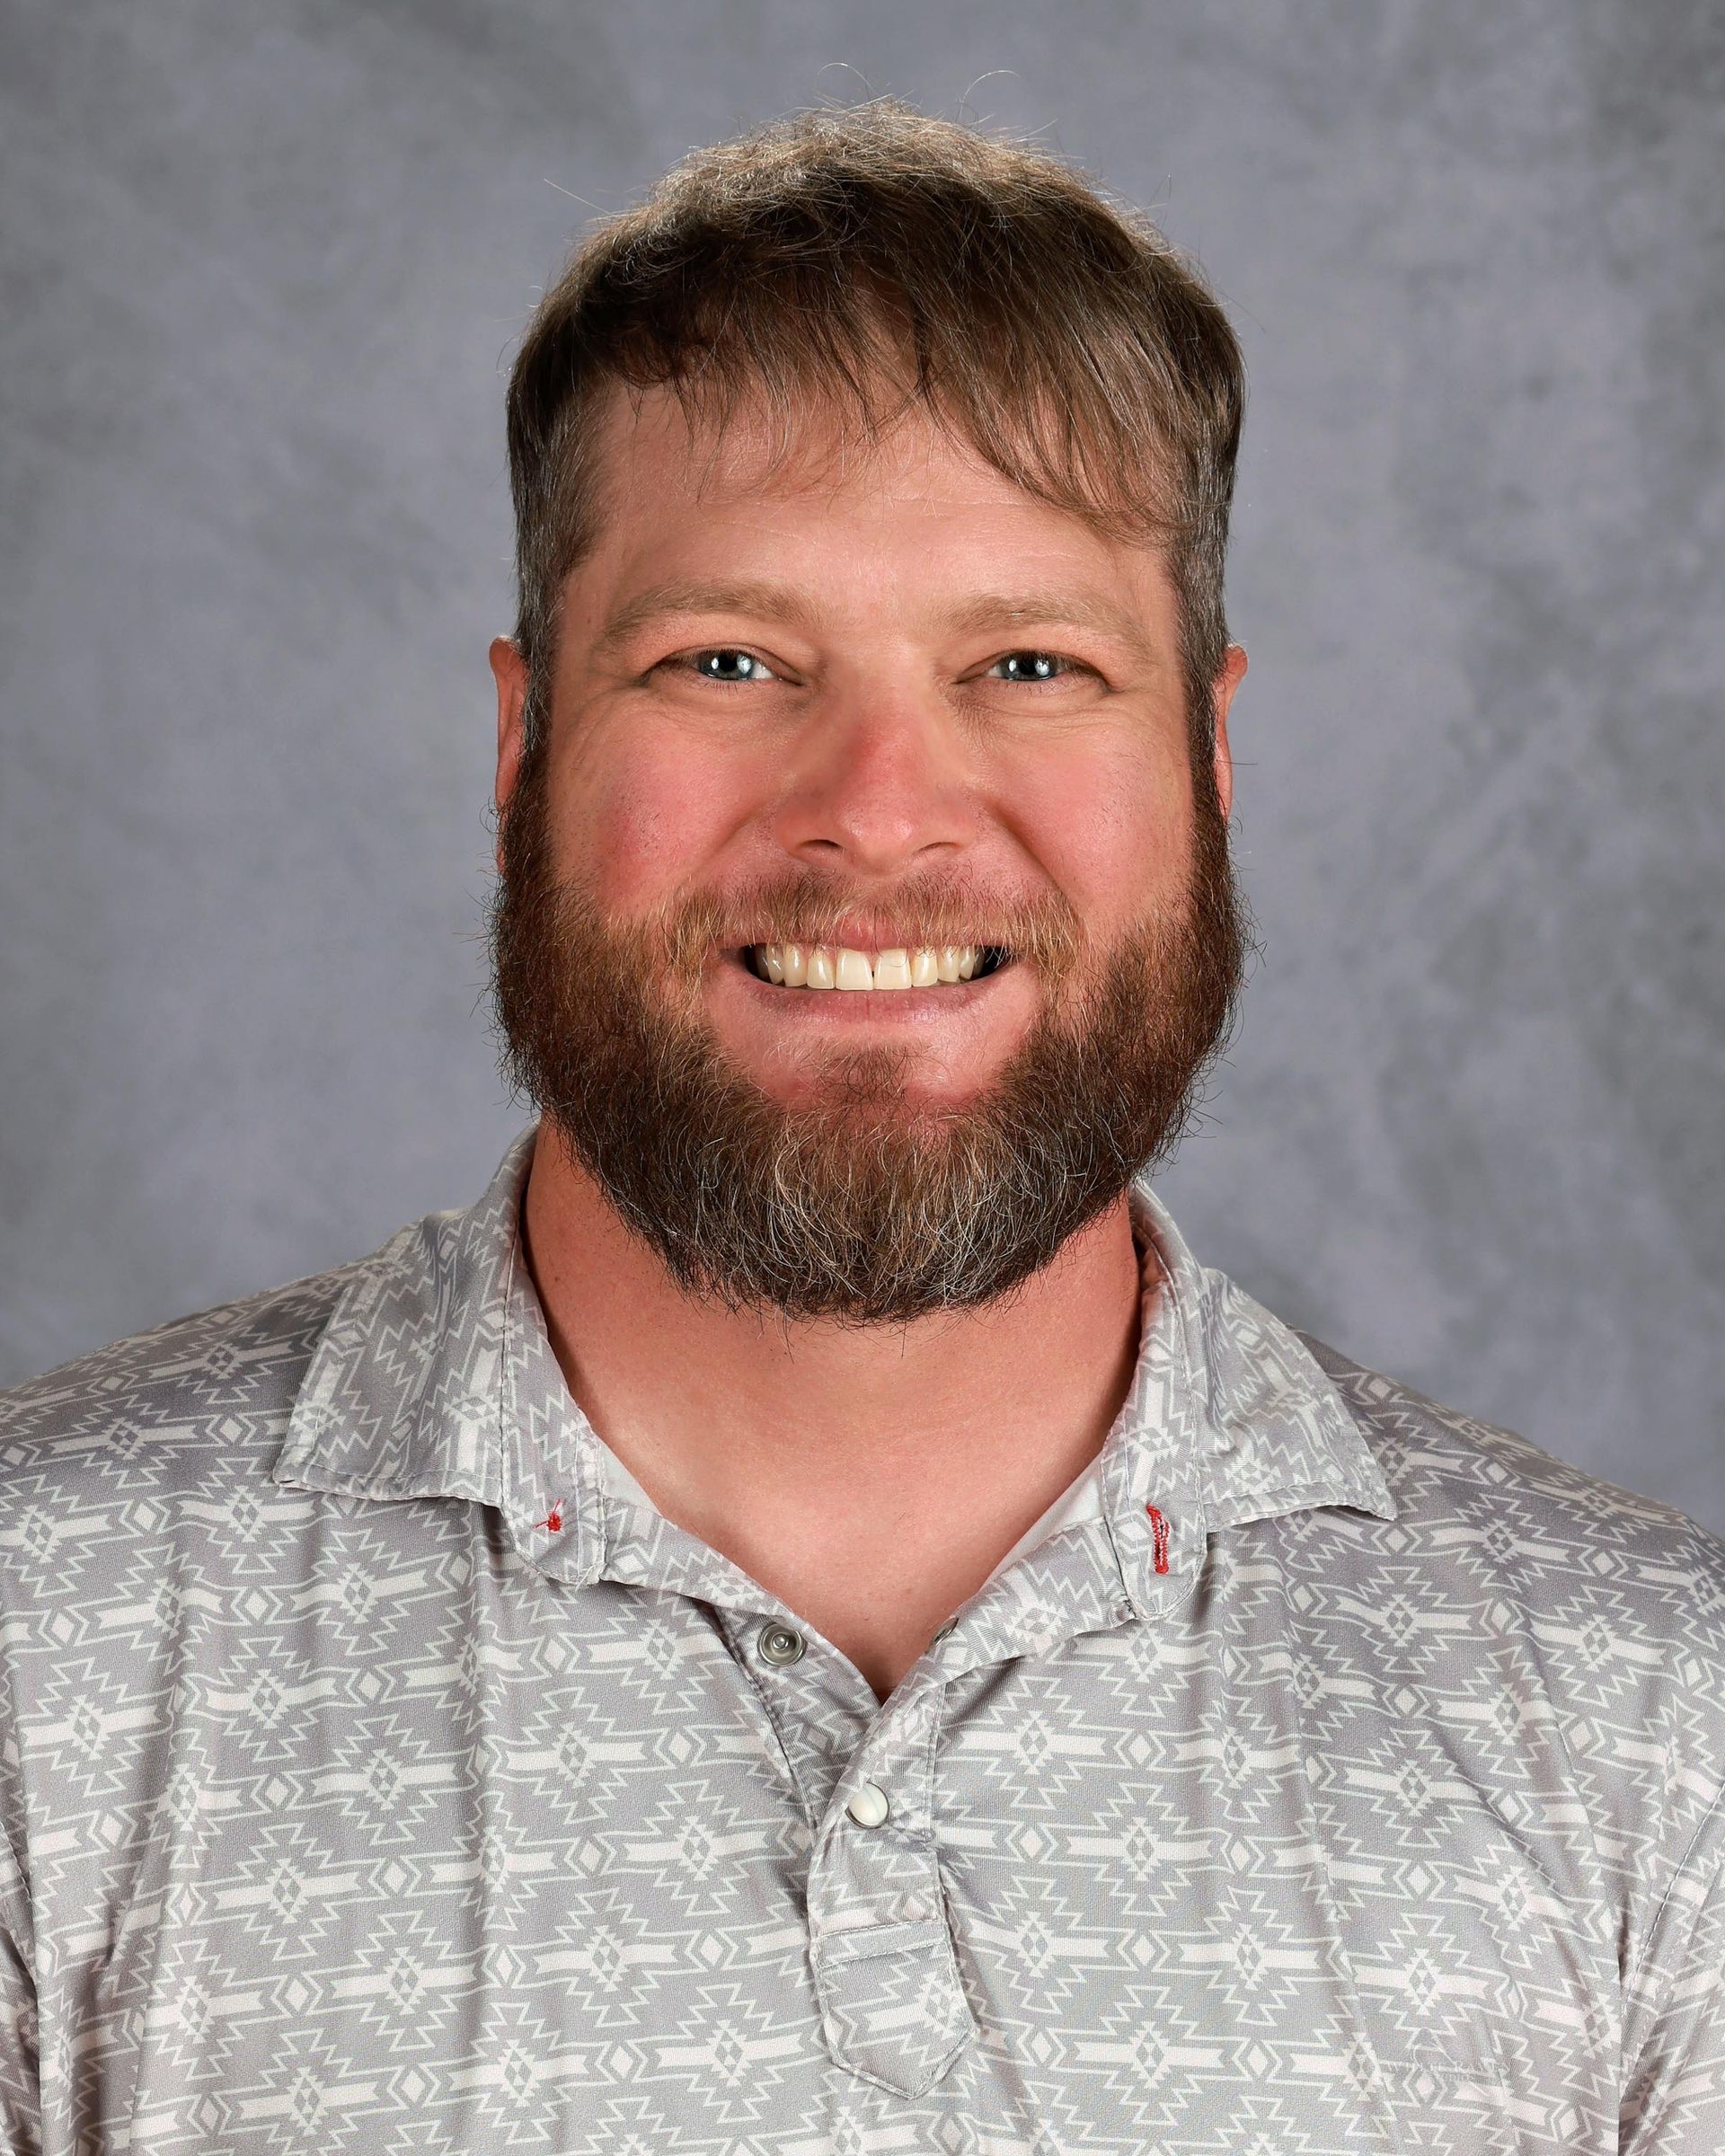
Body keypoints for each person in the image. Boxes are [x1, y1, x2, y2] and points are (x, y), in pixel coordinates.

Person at [1, 98, 1719, 2156]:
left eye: (1028, 661)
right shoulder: (37, 1666)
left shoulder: (1652, 1736)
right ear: (522, 739)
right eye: (728, 658)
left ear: (1211, 748)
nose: (880, 806)